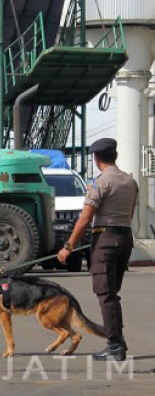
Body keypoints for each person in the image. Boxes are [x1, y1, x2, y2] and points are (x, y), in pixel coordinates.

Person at [57, 138, 138, 362]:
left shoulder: (101, 182)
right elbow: (130, 213)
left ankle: (114, 346)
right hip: (124, 238)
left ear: (95, 158)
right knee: (112, 293)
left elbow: (85, 218)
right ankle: (117, 340)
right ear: (115, 156)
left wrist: (68, 247)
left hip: (105, 239)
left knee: (105, 294)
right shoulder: (130, 181)